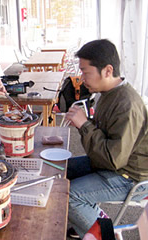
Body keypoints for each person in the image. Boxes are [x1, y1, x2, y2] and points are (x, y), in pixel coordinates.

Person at [64, 39, 148, 239]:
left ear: (108, 70)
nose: (82, 78)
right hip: (114, 164)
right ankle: (84, 221)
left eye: (86, 72)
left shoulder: (126, 104)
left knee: (70, 196)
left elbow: (113, 159)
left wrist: (84, 125)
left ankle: (104, 233)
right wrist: (84, 122)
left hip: (130, 176)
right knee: (60, 170)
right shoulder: (107, 92)